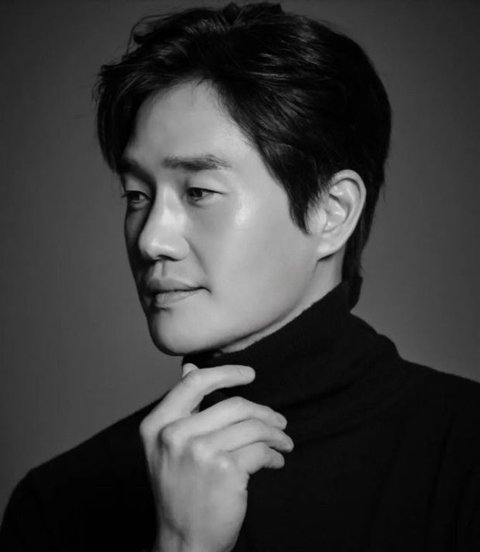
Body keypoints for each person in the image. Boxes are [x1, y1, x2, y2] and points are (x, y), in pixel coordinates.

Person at [1, 2, 479, 551]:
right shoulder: (59, 503)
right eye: (136, 195)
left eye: (199, 192)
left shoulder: (464, 454)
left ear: (332, 211)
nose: (151, 240)